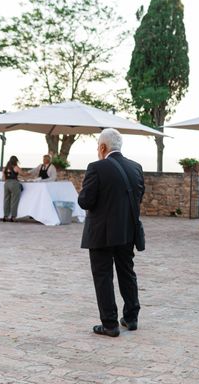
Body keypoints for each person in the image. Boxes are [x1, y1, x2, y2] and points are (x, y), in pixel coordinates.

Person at [78, 128, 145, 338]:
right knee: (127, 272)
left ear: (103, 147)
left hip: (101, 233)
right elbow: (138, 198)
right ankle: (131, 318)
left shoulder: (96, 168)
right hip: (127, 230)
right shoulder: (136, 167)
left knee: (103, 276)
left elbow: (85, 201)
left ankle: (109, 324)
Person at [2, 155, 25, 222]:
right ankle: (13, 217)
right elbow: (23, 174)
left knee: (6, 200)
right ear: (15, 161)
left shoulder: (5, 168)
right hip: (14, 184)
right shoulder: (16, 167)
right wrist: (29, 174)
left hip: (6, 184)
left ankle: (5, 216)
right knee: (14, 200)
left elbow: (3, 178)